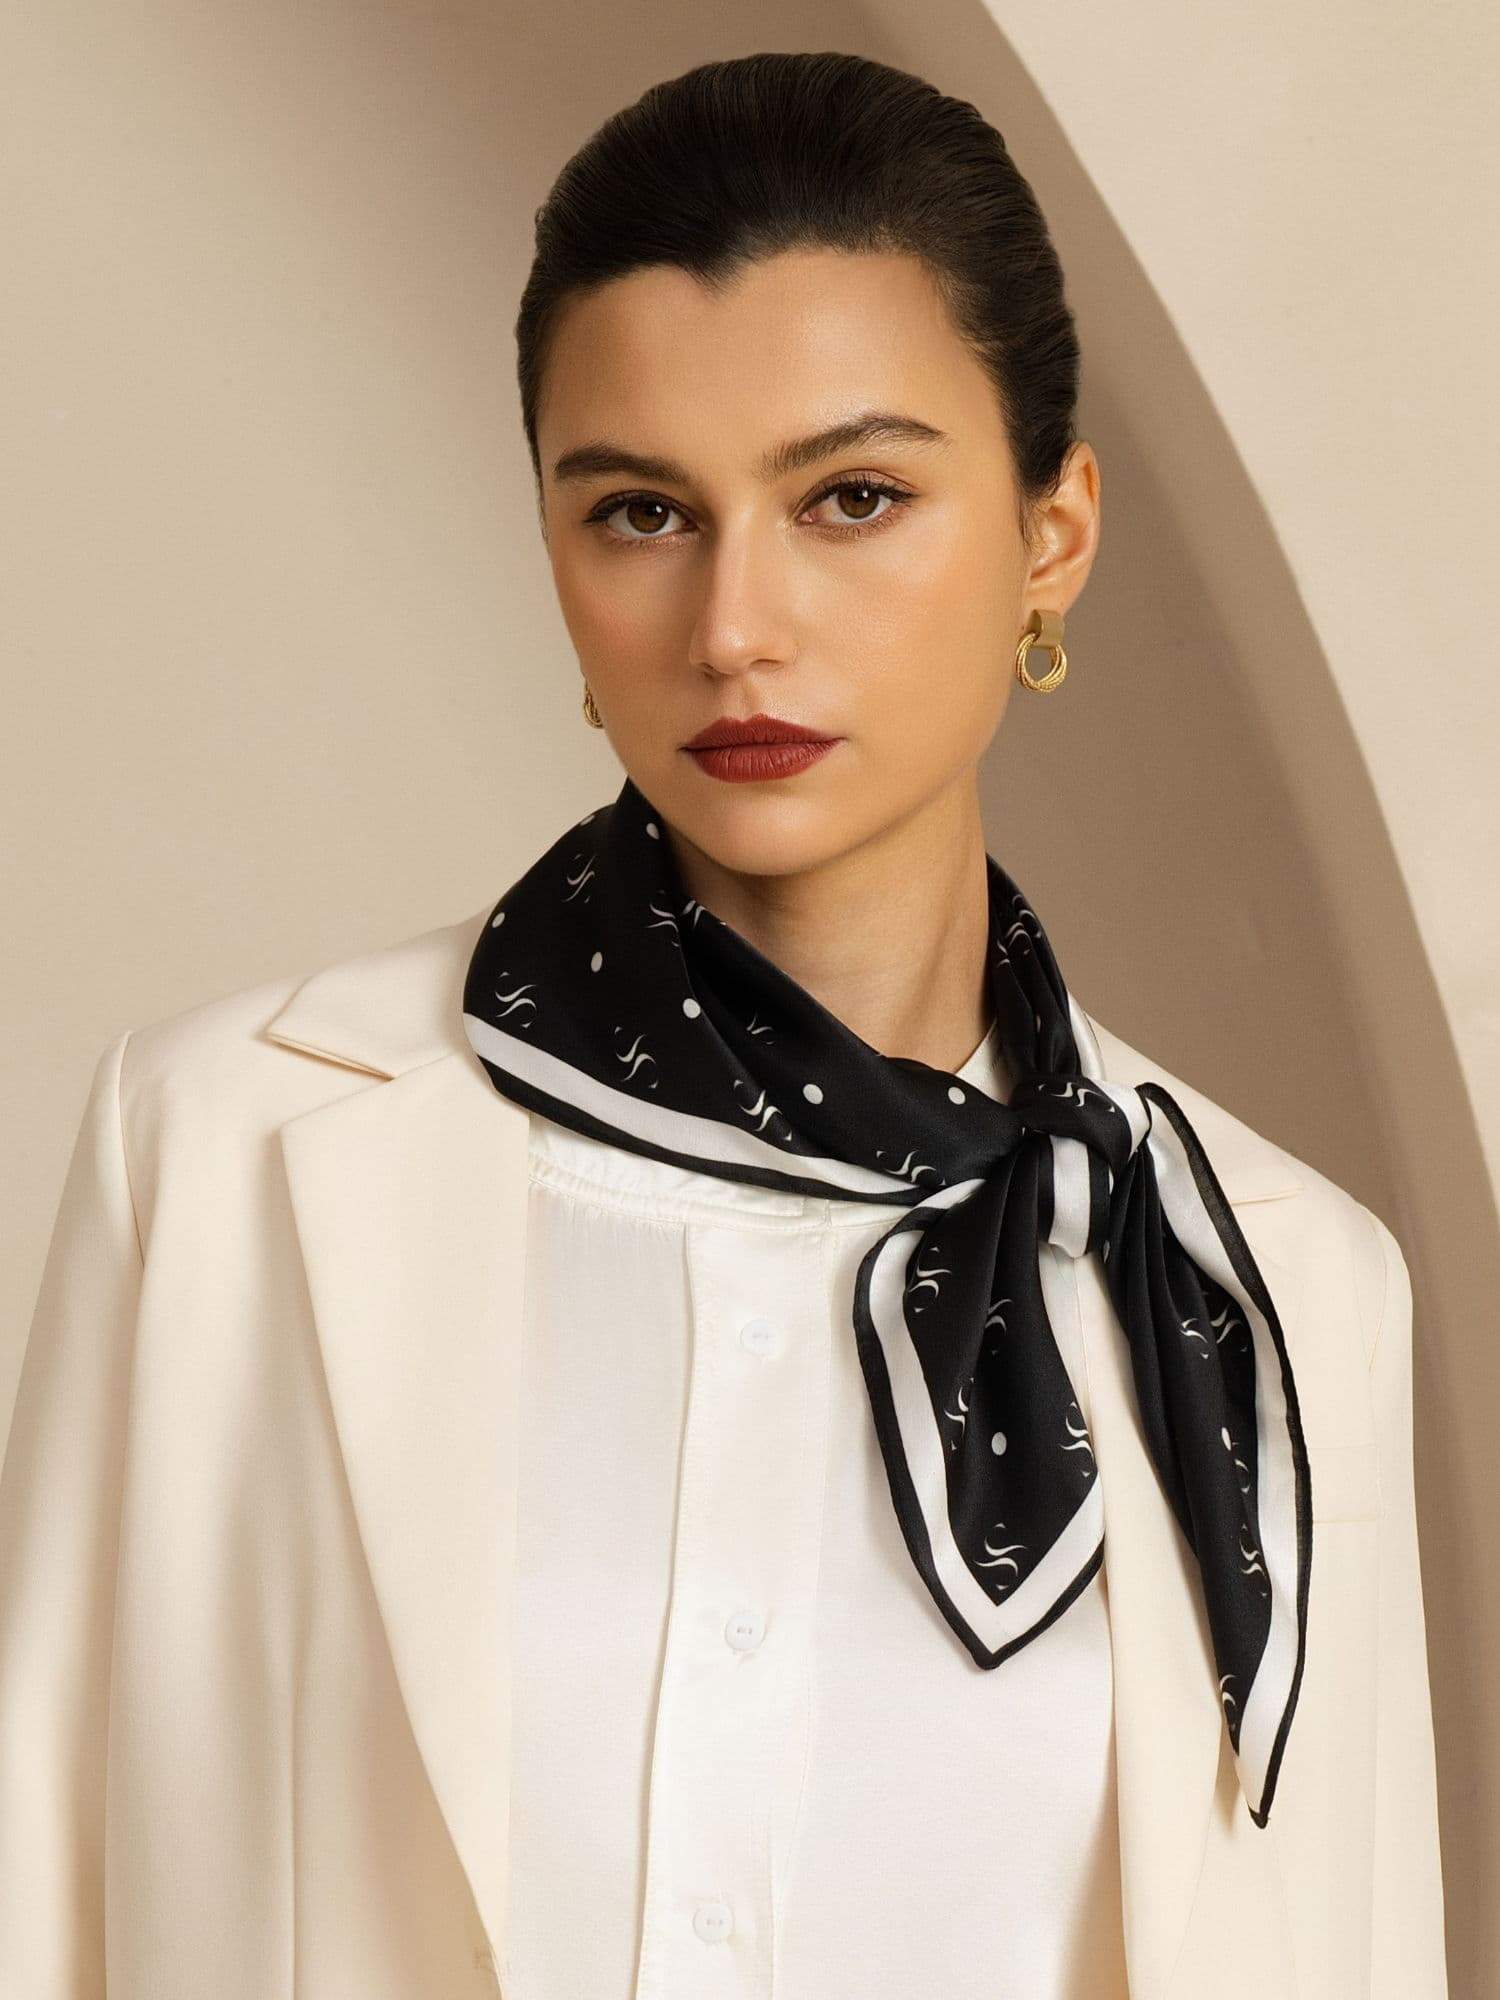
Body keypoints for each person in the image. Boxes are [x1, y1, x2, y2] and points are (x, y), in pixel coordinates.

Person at [0, 49, 1446, 2000]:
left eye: (853, 497)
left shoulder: (1265, 1284)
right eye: (641, 513)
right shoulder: (217, 1159)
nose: (736, 625)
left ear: (1053, 532)